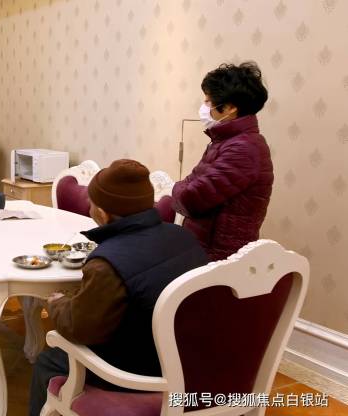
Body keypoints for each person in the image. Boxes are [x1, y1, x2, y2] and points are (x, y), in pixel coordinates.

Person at [28, 159, 209, 416]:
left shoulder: (107, 263)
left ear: (102, 213)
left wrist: (57, 303)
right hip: (190, 361)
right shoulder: (184, 237)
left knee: (49, 359)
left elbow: (79, 329)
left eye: (91, 203)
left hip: (138, 372)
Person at [166, 62, 273, 261]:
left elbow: (191, 199)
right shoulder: (225, 142)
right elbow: (191, 182)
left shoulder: (243, 149)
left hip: (219, 257)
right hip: (204, 247)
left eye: (208, 101)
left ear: (230, 108)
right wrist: (182, 188)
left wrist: (176, 189)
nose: (204, 107)